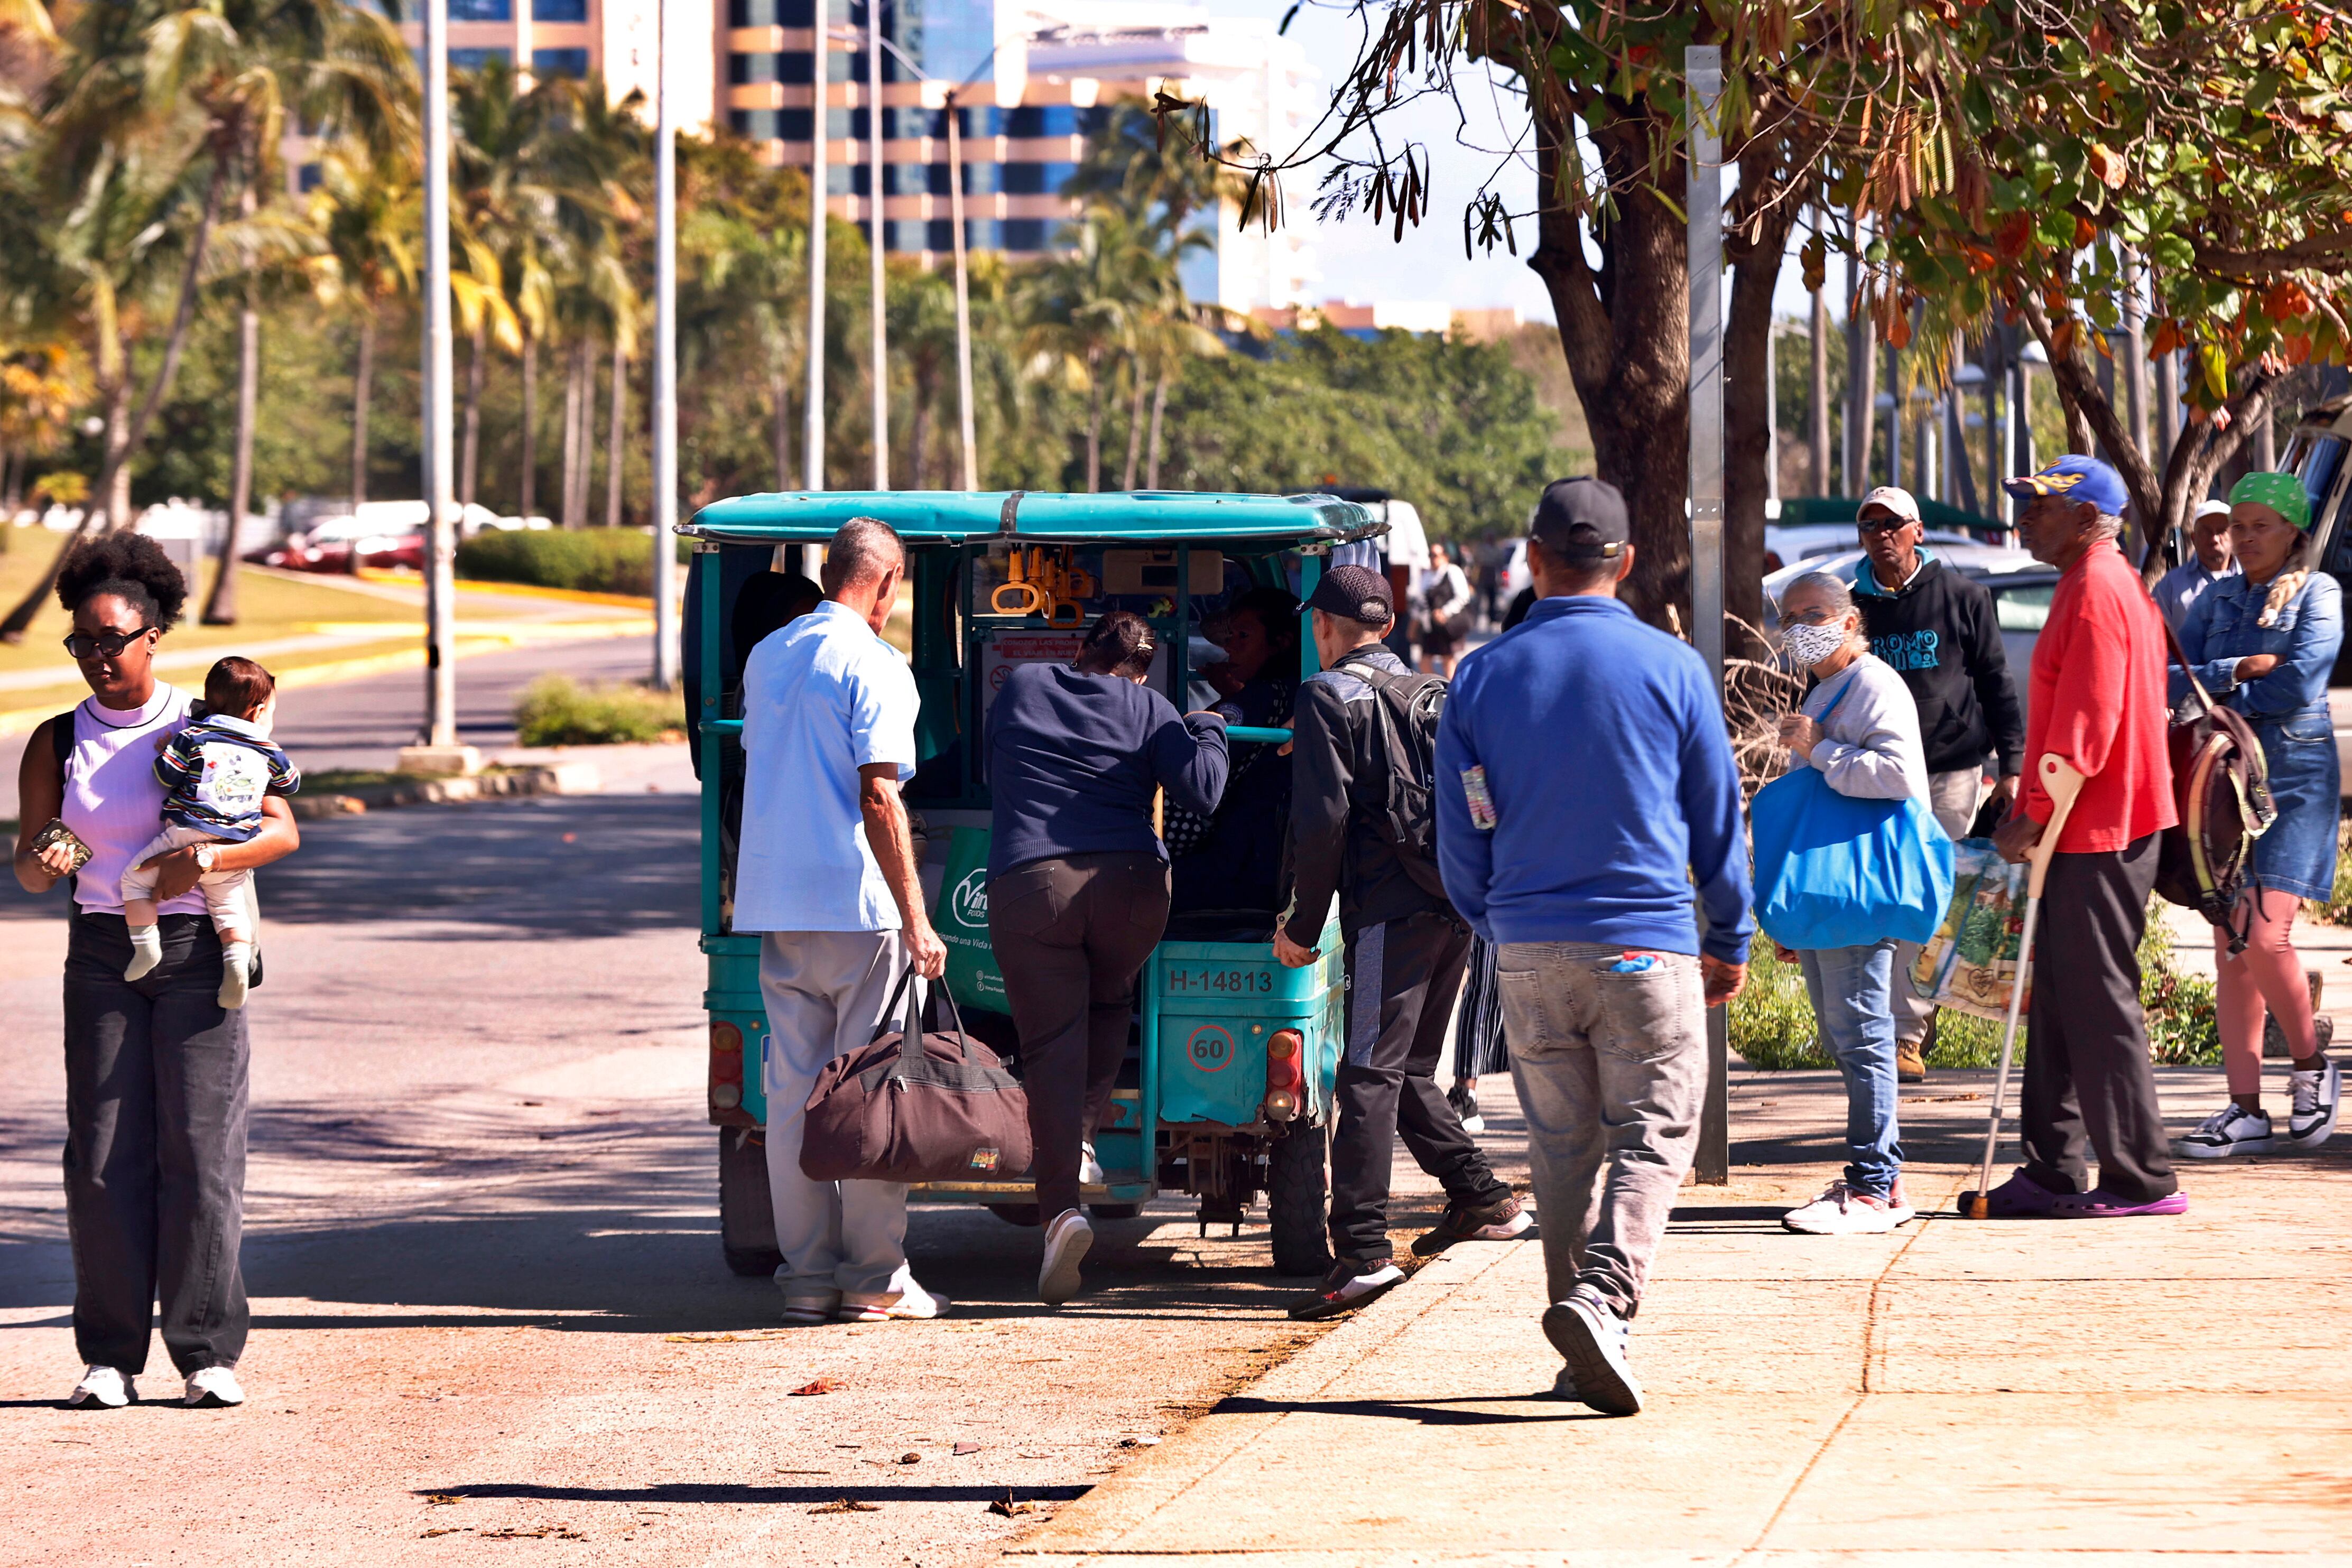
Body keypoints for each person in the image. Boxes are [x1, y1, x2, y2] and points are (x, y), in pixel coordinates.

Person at [1434, 476, 1752, 1417]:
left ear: (1532, 559)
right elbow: (1716, 817)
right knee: (1655, 1132)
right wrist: (1728, 932)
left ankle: (1580, 1345)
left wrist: (1495, 919)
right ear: (1624, 561)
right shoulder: (1673, 668)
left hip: (1528, 943)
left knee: (1561, 1147)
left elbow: (1462, 825)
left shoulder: (1482, 677)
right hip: (1646, 942)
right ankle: (1606, 1298)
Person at [13, 533, 301, 1411]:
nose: (99, 656)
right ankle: (109, 1356)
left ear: (153, 637)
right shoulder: (58, 740)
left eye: (114, 638)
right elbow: (29, 863)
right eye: (83, 642)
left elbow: (281, 831)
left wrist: (202, 868)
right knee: (101, 1158)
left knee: (201, 1152)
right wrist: (46, 858)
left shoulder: (204, 725)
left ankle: (206, 1350)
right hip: (101, 950)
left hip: (197, 954)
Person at [1279, 563, 1524, 1322]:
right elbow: (1483, 790)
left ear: (1323, 625)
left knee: (1366, 1073)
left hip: (1388, 911)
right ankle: (1482, 1199)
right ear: (1385, 625)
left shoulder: (1327, 695)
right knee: (1411, 1067)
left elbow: (1320, 824)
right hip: (1456, 904)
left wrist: (1299, 923)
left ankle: (1360, 1254)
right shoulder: (1439, 691)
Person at [736, 516, 954, 1324]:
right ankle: (873, 1278)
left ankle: (804, 1278)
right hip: (857, 909)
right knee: (871, 1092)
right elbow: (878, 794)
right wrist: (918, 916)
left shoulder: (770, 654)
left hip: (775, 901)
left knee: (792, 1094)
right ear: (888, 583)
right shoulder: (875, 662)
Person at [985, 611, 1228, 1304]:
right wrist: (1204, 720)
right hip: (1128, 889)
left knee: (1050, 1045)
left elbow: (987, 765)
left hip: (1033, 887)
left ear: (1079, 650)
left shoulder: (1025, 685)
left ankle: (1061, 1208)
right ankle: (1085, 1138)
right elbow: (1203, 789)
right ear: (1142, 671)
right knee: (1110, 995)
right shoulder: (1152, 707)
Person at [1980, 457, 2184, 1219]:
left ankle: (2140, 1177)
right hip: (2090, 824)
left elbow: (2086, 724)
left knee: (2097, 1002)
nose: (2024, 518)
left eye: (2039, 506)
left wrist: (2031, 810)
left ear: (2088, 515)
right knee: (2063, 1001)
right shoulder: (2098, 578)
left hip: (2096, 825)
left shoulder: (2098, 586)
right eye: (2024, 505)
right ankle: (2053, 1166)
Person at [2170, 472, 2343, 1156]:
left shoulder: (2318, 592)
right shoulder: (2216, 597)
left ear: (2293, 532)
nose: (2242, 539)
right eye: (2236, 526)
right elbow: (2171, 672)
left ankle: (2309, 1065)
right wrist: (2241, 667)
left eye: (2258, 525)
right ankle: (2243, 1106)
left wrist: (2220, 680)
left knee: (2264, 936)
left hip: (2295, 780)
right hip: (2223, 780)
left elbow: (2299, 680)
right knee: (2230, 949)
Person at [1847, 484, 2024, 1083]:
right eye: (1869, 527)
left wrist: (2013, 766)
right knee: (1879, 902)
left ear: (1917, 531)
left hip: (1949, 772)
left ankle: (1905, 1033)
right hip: (1874, 777)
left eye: (1891, 525)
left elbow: (1997, 683)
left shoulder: (1961, 597)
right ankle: (1877, 1024)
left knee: (1923, 897)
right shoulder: (1851, 608)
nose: (1880, 537)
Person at [1773, 571, 1933, 1235]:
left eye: (1813, 614)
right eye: (1788, 617)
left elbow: (1897, 776)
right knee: (1847, 1036)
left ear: (1847, 621)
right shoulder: (1827, 687)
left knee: (1866, 1033)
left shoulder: (1872, 685)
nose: (1799, 627)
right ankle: (1878, 1181)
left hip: (1860, 888)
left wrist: (1820, 750)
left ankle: (1873, 1187)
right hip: (1826, 893)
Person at [119, 657, 300, 1008]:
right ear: (258, 711)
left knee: (134, 881)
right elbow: (290, 784)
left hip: (187, 832)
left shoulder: (194, 736)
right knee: (230, 909)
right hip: (236, 842)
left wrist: (166, 751)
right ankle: (236, 962)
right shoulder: (267, 750)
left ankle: (146, 947)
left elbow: (164, 776)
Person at [1170, 587, 1298, 921]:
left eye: (1243, 635)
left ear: (1280, 643)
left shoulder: (1261, 696)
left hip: (1234, 861)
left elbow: (1199, 750)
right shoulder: (1284, 690)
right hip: (1254, 855)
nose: (1229, 646)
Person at [2152, 499, 2238, 632]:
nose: (2215, 539)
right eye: (2207, 531)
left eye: (2221, 531)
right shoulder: (2171, 584)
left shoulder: (2251, 579)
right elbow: (2156, 634)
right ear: (2194, 538)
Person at [1416, 541, 1474, 676]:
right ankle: (1440, 688)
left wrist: (1445, 612)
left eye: (1435, 555)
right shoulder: (1427, 576)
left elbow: (1463, 597)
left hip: (1448, 625)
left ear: (1445, 557)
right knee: (1424, 662)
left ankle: (1452, 693)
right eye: (1430, 555)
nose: (1432, 559)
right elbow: (1420, 600)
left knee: (1448, 661)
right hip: (1431, 627)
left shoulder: (1453, 572)